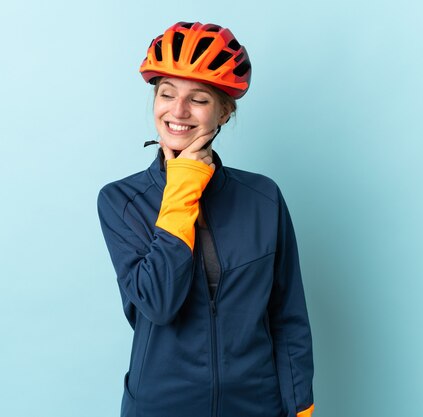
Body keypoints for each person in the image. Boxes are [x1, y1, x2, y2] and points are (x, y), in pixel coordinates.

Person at [98, 21, 314, 417]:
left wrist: (300, 404)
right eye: (166, 94)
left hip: (256, 405)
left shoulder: (263, 197)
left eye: (198, 99)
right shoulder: (121, 201)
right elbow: (158, 303)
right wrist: (182, 184)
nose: (177, 112)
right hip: (161, 406)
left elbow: (287, 315)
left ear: (224, 111)